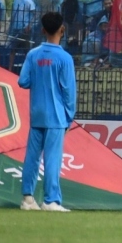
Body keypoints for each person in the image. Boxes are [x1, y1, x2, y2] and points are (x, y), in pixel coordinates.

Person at [17, 12, 74, 212]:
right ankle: (51, 200)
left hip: (37, 114)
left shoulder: (33, 55)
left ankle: (27, 198)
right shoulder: (65, 58)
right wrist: (69, 116)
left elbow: (23, 81)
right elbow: (69, 91)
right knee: (52, 158)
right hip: (57, 116)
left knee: (32, 157)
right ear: (62, 30)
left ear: (42, 30)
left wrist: (39, 77)